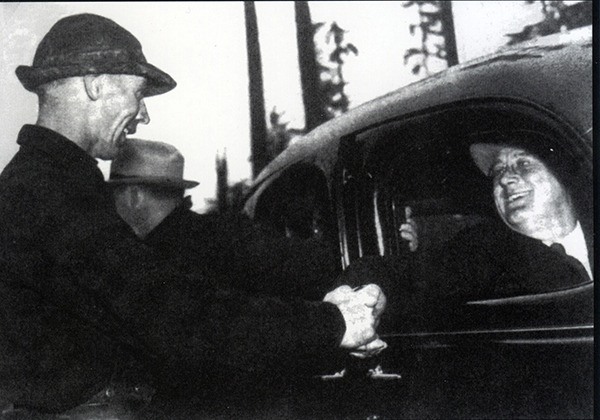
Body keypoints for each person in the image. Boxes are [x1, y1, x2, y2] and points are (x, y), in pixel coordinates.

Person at [0, 13, 387, 416]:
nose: (144, 114)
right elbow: (172, 316)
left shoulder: (44, 184)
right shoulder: (47, 192)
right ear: (96, 85)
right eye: (139, 94)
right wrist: (332, 324)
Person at [342, 129, 592, 331]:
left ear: (562, 175)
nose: (505, 179)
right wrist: (360, 294)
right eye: (498, 171)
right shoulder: (487, 249)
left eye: (524, 164)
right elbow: (400, 276)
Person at [109, 138, 344, 301]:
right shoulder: (231, 235)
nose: (110, 204)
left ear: (134, 195)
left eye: (114, 193)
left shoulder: (145, 261)